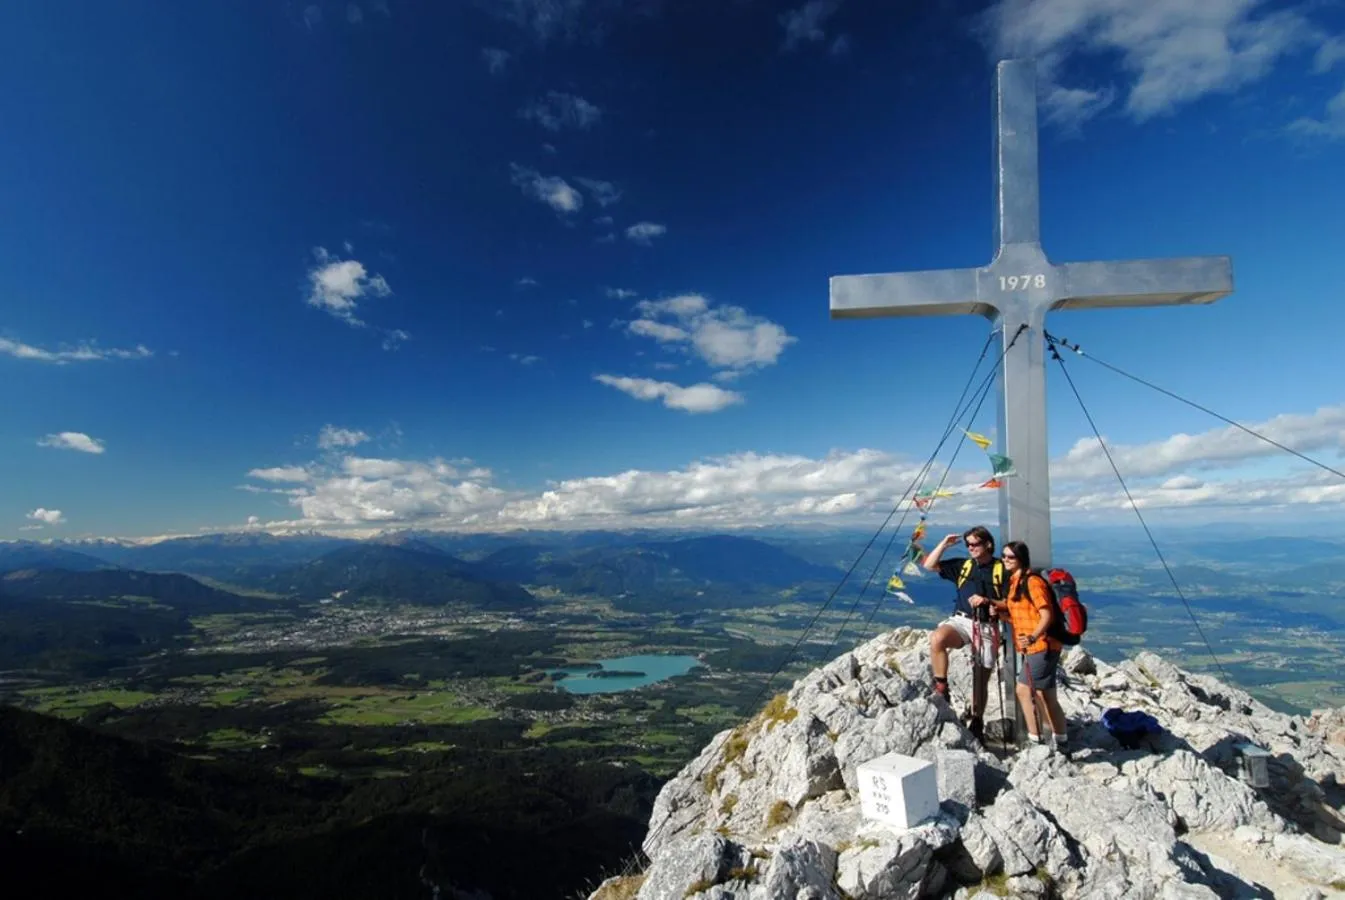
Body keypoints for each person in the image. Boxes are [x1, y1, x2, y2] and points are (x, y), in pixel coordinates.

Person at [974, 540, 1068, 750]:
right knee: (1046, 694)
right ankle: (1061, 741)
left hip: (1041, 646)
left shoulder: (1033, 582)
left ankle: (1036, 740)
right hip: (1038, 646)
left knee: (1024, 691)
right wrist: (998, 611)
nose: (1006, 560)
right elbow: (1021, 614)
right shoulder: (1016, 581)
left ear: (1021, 559)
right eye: (1004, 556)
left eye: (1011, 557)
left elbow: (1046, 614)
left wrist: (1033, 636)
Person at [921, 525, 1004, 739]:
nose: (970, 548)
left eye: (975, 544)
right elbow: (929, 565)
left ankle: (977, 719)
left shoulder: (1000, 569)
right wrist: (944, 545)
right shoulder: (964, 566)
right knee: (938, 638)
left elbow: (1011, 600)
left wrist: (992, 603)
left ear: (988, 544)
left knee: (980, 678)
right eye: (968, 545)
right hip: (961, 619)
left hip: (987, 625)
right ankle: (941, 686)